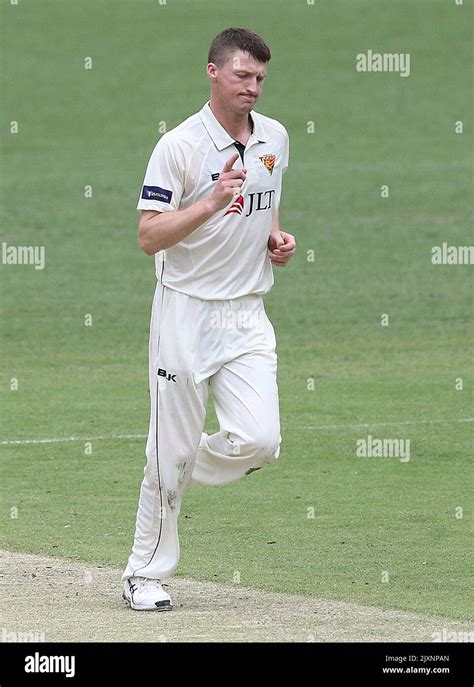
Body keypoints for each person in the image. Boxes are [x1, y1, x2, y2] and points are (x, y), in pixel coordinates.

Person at [122, 27, 296, 611]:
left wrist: (276, 238)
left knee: (261, 440)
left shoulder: (275, 136)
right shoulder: (179, 146)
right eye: (243, 76)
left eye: (261, 79)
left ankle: (171, 460)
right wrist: (210, 203)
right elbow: (149, 237)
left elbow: (268, 201)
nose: (254, 88)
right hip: (186, 312)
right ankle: (144, 574)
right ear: (213, 73)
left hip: (247, 313)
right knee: (168, 451)